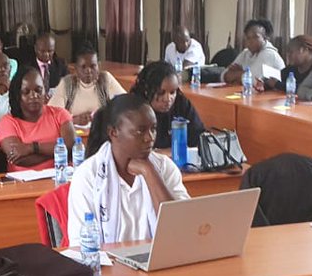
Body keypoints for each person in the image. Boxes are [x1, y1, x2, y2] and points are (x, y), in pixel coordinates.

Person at [67, 96, 190, 248]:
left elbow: (182, 228)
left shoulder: (164, 167)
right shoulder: (88, 175)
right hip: (109, 266)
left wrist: (149, 172)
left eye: (153, 129)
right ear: (113, 133)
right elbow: (80, 245)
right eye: (140, 131)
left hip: (159, 261)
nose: (149, 138)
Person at [0, 66, 76, 172]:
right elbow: (18, 159)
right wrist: (59, 153)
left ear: (45, 91)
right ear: (18, 95)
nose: (34, 96)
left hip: (60, 178)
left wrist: (32, 148)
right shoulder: (8, 121)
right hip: (22, 184)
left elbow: (70, 146)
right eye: (26, 92)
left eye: (38, 90)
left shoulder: (60, 114)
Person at [131, 60, 206, 149]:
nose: (168, 99)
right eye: (160, 92)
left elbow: (199, 137)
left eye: (172, 92)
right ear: (146, 91)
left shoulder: (181, 103)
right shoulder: (135, 110)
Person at [49, 47, 126, 125]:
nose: (88, 71)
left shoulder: (105, 79)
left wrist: (106, 116)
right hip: (74, 132)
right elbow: (52, 113)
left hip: (102, 132)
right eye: (83, 67)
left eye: (93, 66)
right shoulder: (67, 83)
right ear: (76, 68)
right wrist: (73, 120)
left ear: (98, 66)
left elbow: (124, 103)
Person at [223, 19, 285, 85]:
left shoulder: (269, 54)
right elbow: (223, 75)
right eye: (248, 38)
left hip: (275, 94)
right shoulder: (245, 53)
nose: (251, 41)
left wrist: (238, 73)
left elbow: (253, 80)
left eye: (255, 37)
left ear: (265, 38)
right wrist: (243, 74)